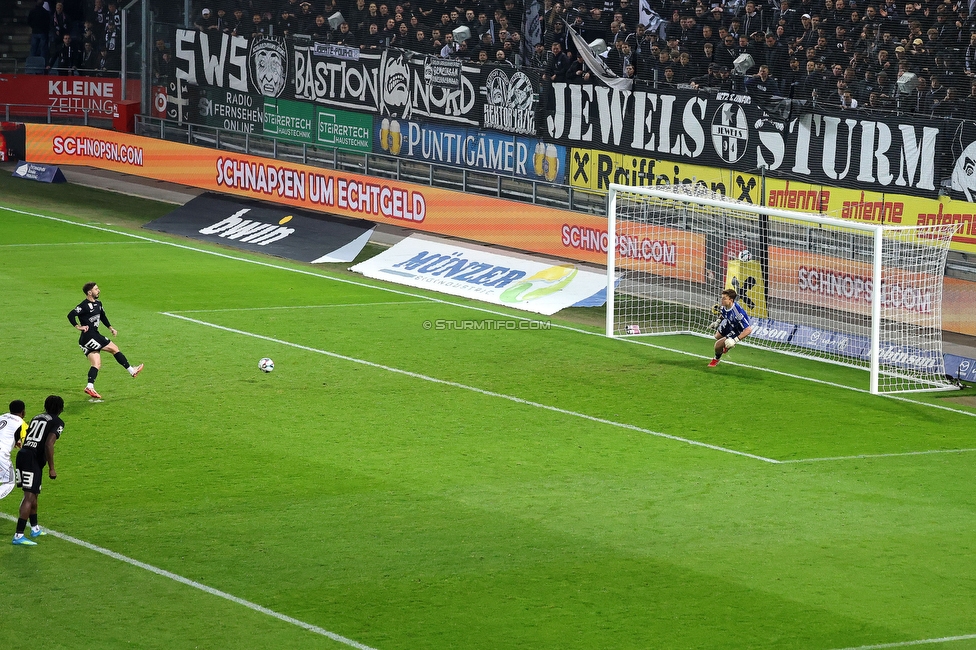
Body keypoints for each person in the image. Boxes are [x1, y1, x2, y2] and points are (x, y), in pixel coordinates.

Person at [68, 282, 143, 400]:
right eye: (96, 289)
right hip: (89, 336)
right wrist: (78, 326)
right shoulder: (84, 305)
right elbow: (71, 315)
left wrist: (110, 328)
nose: (99, 291)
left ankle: (89, 386)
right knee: (114, 349)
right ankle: (131, 371)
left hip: (88, 339)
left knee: (96, 364)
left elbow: (102, 316)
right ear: (89, 292)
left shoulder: (98, 304)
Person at [12, 395, 64, 546]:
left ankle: (34, 528)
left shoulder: (37, 417)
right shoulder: (58, 422)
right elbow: (49, 444)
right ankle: (18, 535)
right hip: (32, 459)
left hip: (24, 455)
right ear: (60, 408)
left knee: (33, 493)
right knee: (29, 496)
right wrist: (52, 468)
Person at [708, 288, 753, 367]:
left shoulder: (738, 313)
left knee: (717, 345)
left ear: (731, 300)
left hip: (738, 329)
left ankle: (716, 359)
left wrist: (735, 340)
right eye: (722, 298)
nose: (722, 300)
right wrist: (717, 321)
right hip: (730, 324)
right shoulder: (724, 306)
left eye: (724, 299)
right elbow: (723, 313)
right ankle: (726, 346)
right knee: (717, 336)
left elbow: (748, 330)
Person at [0, 400, 27, 498]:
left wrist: (15, 440)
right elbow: (27, 444)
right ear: (23, 412)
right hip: (1, 454)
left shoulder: (1, 417)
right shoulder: (21, 423)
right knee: (9, 482)